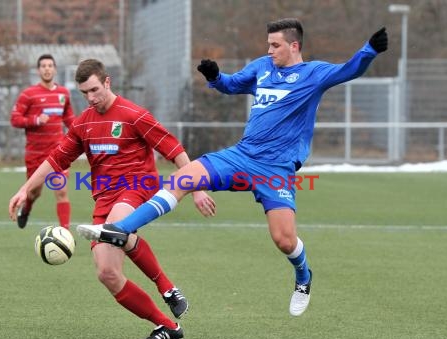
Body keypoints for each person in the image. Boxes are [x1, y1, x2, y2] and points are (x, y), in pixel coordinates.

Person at [76, 19, 388, 317]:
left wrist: (369, 50)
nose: (269, 51)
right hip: (242, 156)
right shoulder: (262, 68)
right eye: (268, 44)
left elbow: (350, 70)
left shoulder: (314, 73)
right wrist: (214, 76)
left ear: (294, 46)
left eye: (275, 45)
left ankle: (304, 274)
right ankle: (121, 228)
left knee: (284, 240)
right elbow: (231, 85)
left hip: (275, 169)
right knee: (184, 177)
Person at [8, 59, 215, 339]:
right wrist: (25, 188)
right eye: (84, 93)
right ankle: (167, 326)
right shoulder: (83, 123)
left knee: (118, 228)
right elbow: (56, 159)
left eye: (95, 90)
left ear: (107, 82)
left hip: (136, 187)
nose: (91, 98)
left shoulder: (134, 114)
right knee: (107, 273)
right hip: (103, 197)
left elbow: (173, 149)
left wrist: (197, 187)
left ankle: (165, 286)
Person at [10, 54, 76, 230]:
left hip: (57, 152)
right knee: (34, 192)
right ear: (38, 70)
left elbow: (69, 118)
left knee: (61, 191)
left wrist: (81, 133)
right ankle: (27, 209)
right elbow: (15, 119)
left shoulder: (63, 93)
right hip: (36, 154)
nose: (47, 68)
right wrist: (36, 120)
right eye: (43, 66)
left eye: (50, 65)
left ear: (54, 69)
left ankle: (65, 234)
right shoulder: (28, 94)